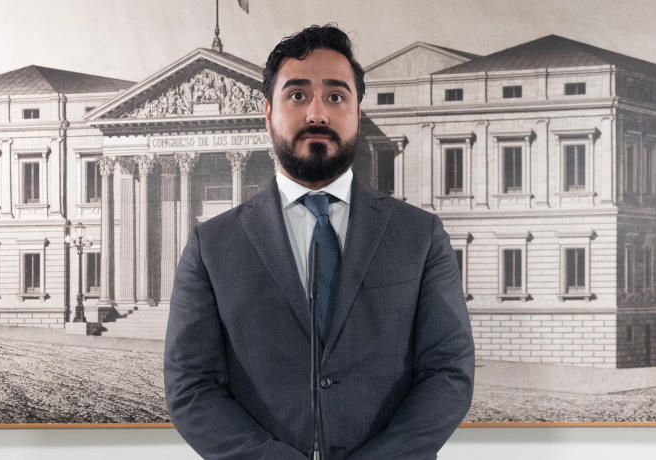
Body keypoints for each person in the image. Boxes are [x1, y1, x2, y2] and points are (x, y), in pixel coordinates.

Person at [165, 24, 474, 459]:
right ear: (267, 112)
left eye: (335, 96)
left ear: (358, 113)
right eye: (297, 95)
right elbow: (190, 387)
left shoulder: (420, 236)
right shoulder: (211, 246)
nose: (317, 114)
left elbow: (448, 373)